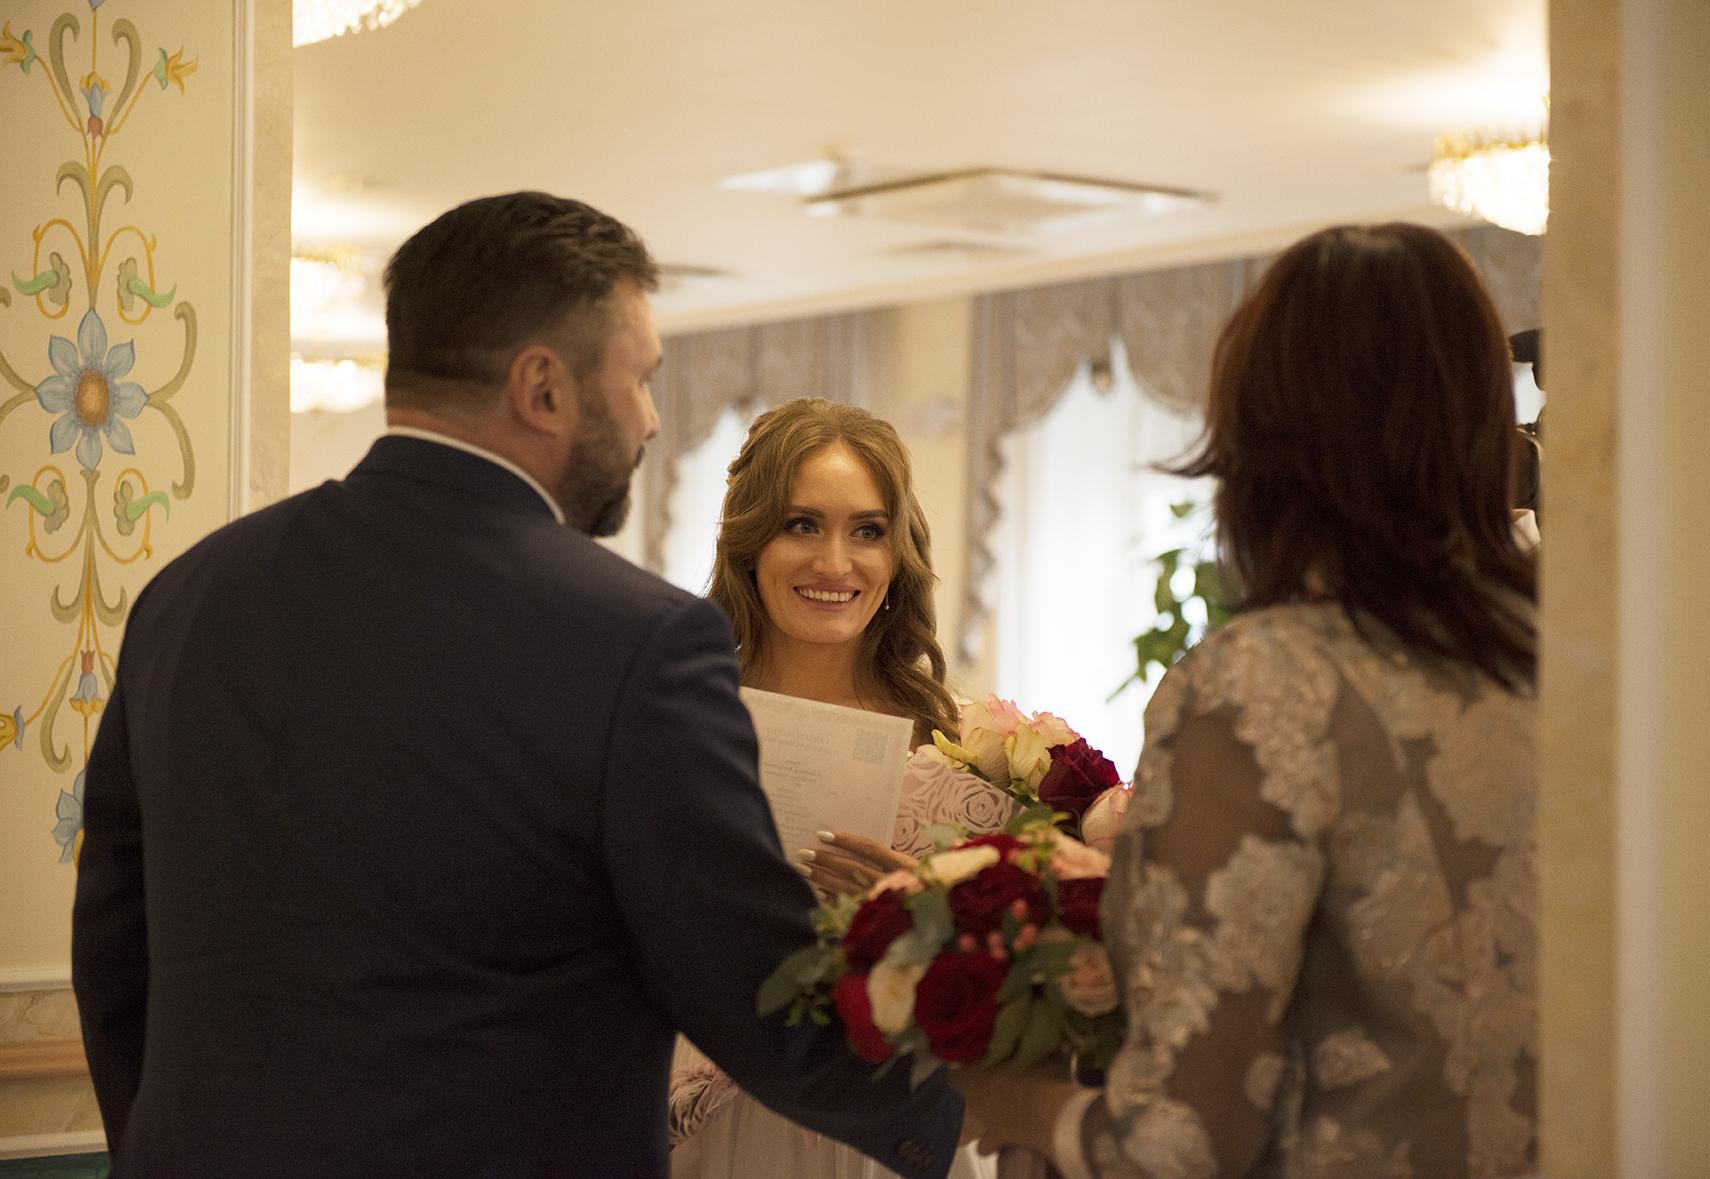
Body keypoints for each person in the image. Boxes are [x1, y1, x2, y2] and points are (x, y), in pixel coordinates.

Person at [70, 192, 964, 1179]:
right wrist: (1001, 1096)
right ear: (543, 388)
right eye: (639, 380)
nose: (650, 421)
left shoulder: (190, 595)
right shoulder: (640, 644)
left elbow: (115, 948)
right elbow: (752, 987)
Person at [955, 223, 1539, 1179]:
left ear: (1264, 438)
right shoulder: (1580, 664)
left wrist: (1023, 1103)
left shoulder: (1262, 686)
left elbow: (1185, 1139)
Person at [669, 398, 1011, 1179]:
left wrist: (930, 908)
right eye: (802, 525)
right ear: (751, 543)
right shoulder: (683, 725)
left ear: (897, 552)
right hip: (718, 1108)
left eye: (866, 530)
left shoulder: (962, 742)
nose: (835, 562)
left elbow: (1016, 967)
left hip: (893, 1120)